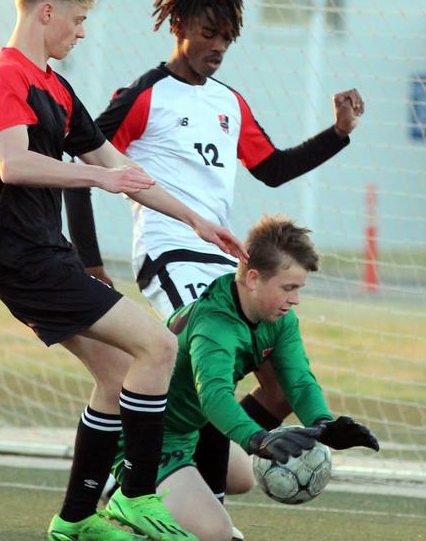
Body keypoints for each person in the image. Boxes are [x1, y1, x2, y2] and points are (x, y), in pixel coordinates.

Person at [69, 0, 366, 524]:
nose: (219, 47)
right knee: (214, 371)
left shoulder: (230, 102)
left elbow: (273, 169)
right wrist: (90, 261)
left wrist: (339, 132)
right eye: (209, 33)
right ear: (178, 26)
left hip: (224, 258)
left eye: (228, 37)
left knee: (277, 382)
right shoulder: (143, 96)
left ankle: (155, 464)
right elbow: (82, 166)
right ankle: (200, 506)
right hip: (169, 253)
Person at [0, 0, 247, 539]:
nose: (81, 32)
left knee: (119, 372)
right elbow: (14, 165)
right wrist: (100, 177)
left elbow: (120, 166)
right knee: (160, 345)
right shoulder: (4, 75)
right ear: (46, 12)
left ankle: (73, 523)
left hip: (48, 253)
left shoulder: (56, 86)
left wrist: (195, 219)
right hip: (22, 256)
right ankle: (138, 495)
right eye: (78, 20)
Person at [110, 215, 379, 541]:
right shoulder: (215, 326)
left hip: (187, 432)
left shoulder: (277, 318)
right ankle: (124, 494)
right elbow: (214, 398)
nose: (295, 299)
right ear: (253, 278)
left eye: (298, 288)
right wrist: (258, 439)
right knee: (217, 534)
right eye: (288, 288)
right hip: (146, 441)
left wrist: (323, 423)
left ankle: (168, 497)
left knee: (242, 478)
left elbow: (299, 380)